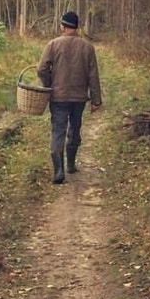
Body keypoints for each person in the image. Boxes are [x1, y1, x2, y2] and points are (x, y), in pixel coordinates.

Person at [37, 11, 102, 184]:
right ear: (76, 27)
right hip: (79, 97)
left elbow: (41, 69)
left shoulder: (53, 44)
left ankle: (59, 172)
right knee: (75, 128)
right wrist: (96, 100)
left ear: (63, 26)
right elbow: (93, 75)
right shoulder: (87, 46)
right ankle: (71, 165)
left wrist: (48, 84)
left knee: (58, 130)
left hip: (58, 96)